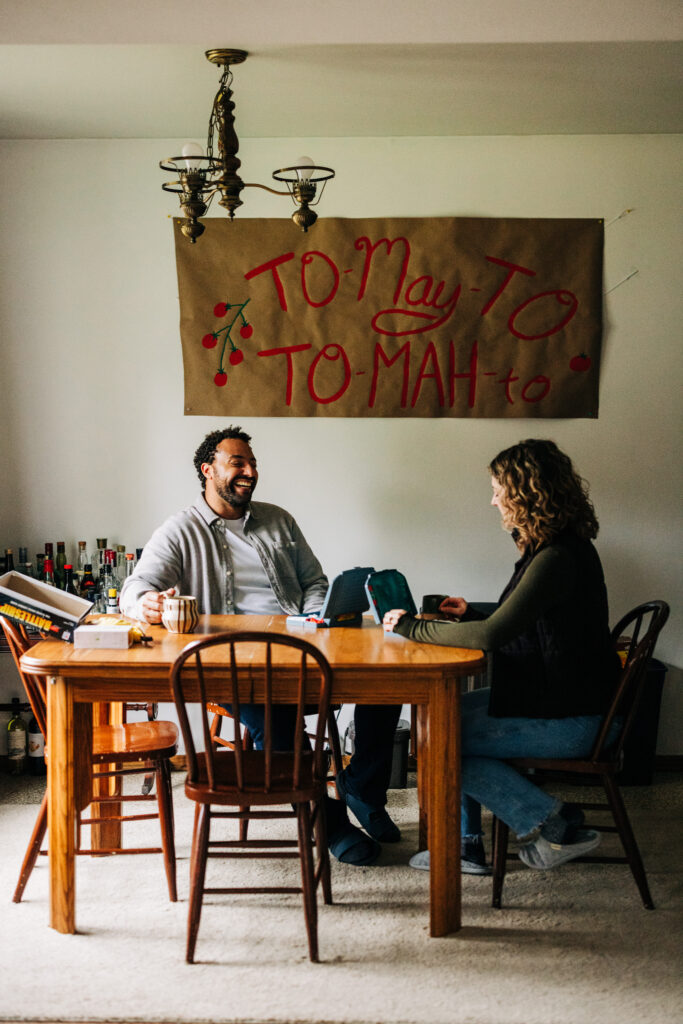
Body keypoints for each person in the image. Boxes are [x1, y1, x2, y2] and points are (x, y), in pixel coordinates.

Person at [120, 426, 401, 866]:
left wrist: (313, 617)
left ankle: (361, 787)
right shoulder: (180, 530)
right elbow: (134, 588)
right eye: (238, 463)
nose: (249, 472)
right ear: (207, 470)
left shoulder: (279, 519)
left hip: (302, 645)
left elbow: (314, 582)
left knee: (389, 685)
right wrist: (146, 602)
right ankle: (330, 820)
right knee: (275, 713)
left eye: (252, 464)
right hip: (233, 665)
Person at [382, 439, 621, 874]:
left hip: (575, 720)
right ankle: (472, 843)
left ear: (525, 493)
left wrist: (410, 627)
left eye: (497, 489)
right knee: (439, 721)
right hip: (565, 700)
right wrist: (469, 613)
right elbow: (530, 618)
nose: (493, 500)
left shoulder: (555, 557)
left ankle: (551, 822)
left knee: (441, 739)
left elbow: (493, 636)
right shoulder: (557, 547)